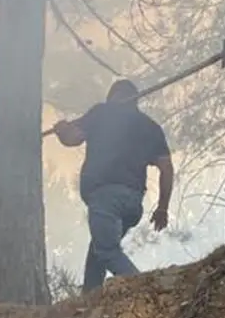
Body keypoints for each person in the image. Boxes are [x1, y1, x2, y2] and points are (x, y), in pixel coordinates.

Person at [52, 79, 175, 293]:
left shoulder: (101, 113)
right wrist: (163, 207)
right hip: (132, 203)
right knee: (98, 250)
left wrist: (62, 130)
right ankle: (90, 298)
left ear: (112, 97)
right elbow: (166, 168)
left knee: (107, 251)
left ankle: (146, 292)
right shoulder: (150, 127)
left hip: (105, 195)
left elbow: (73, 138)